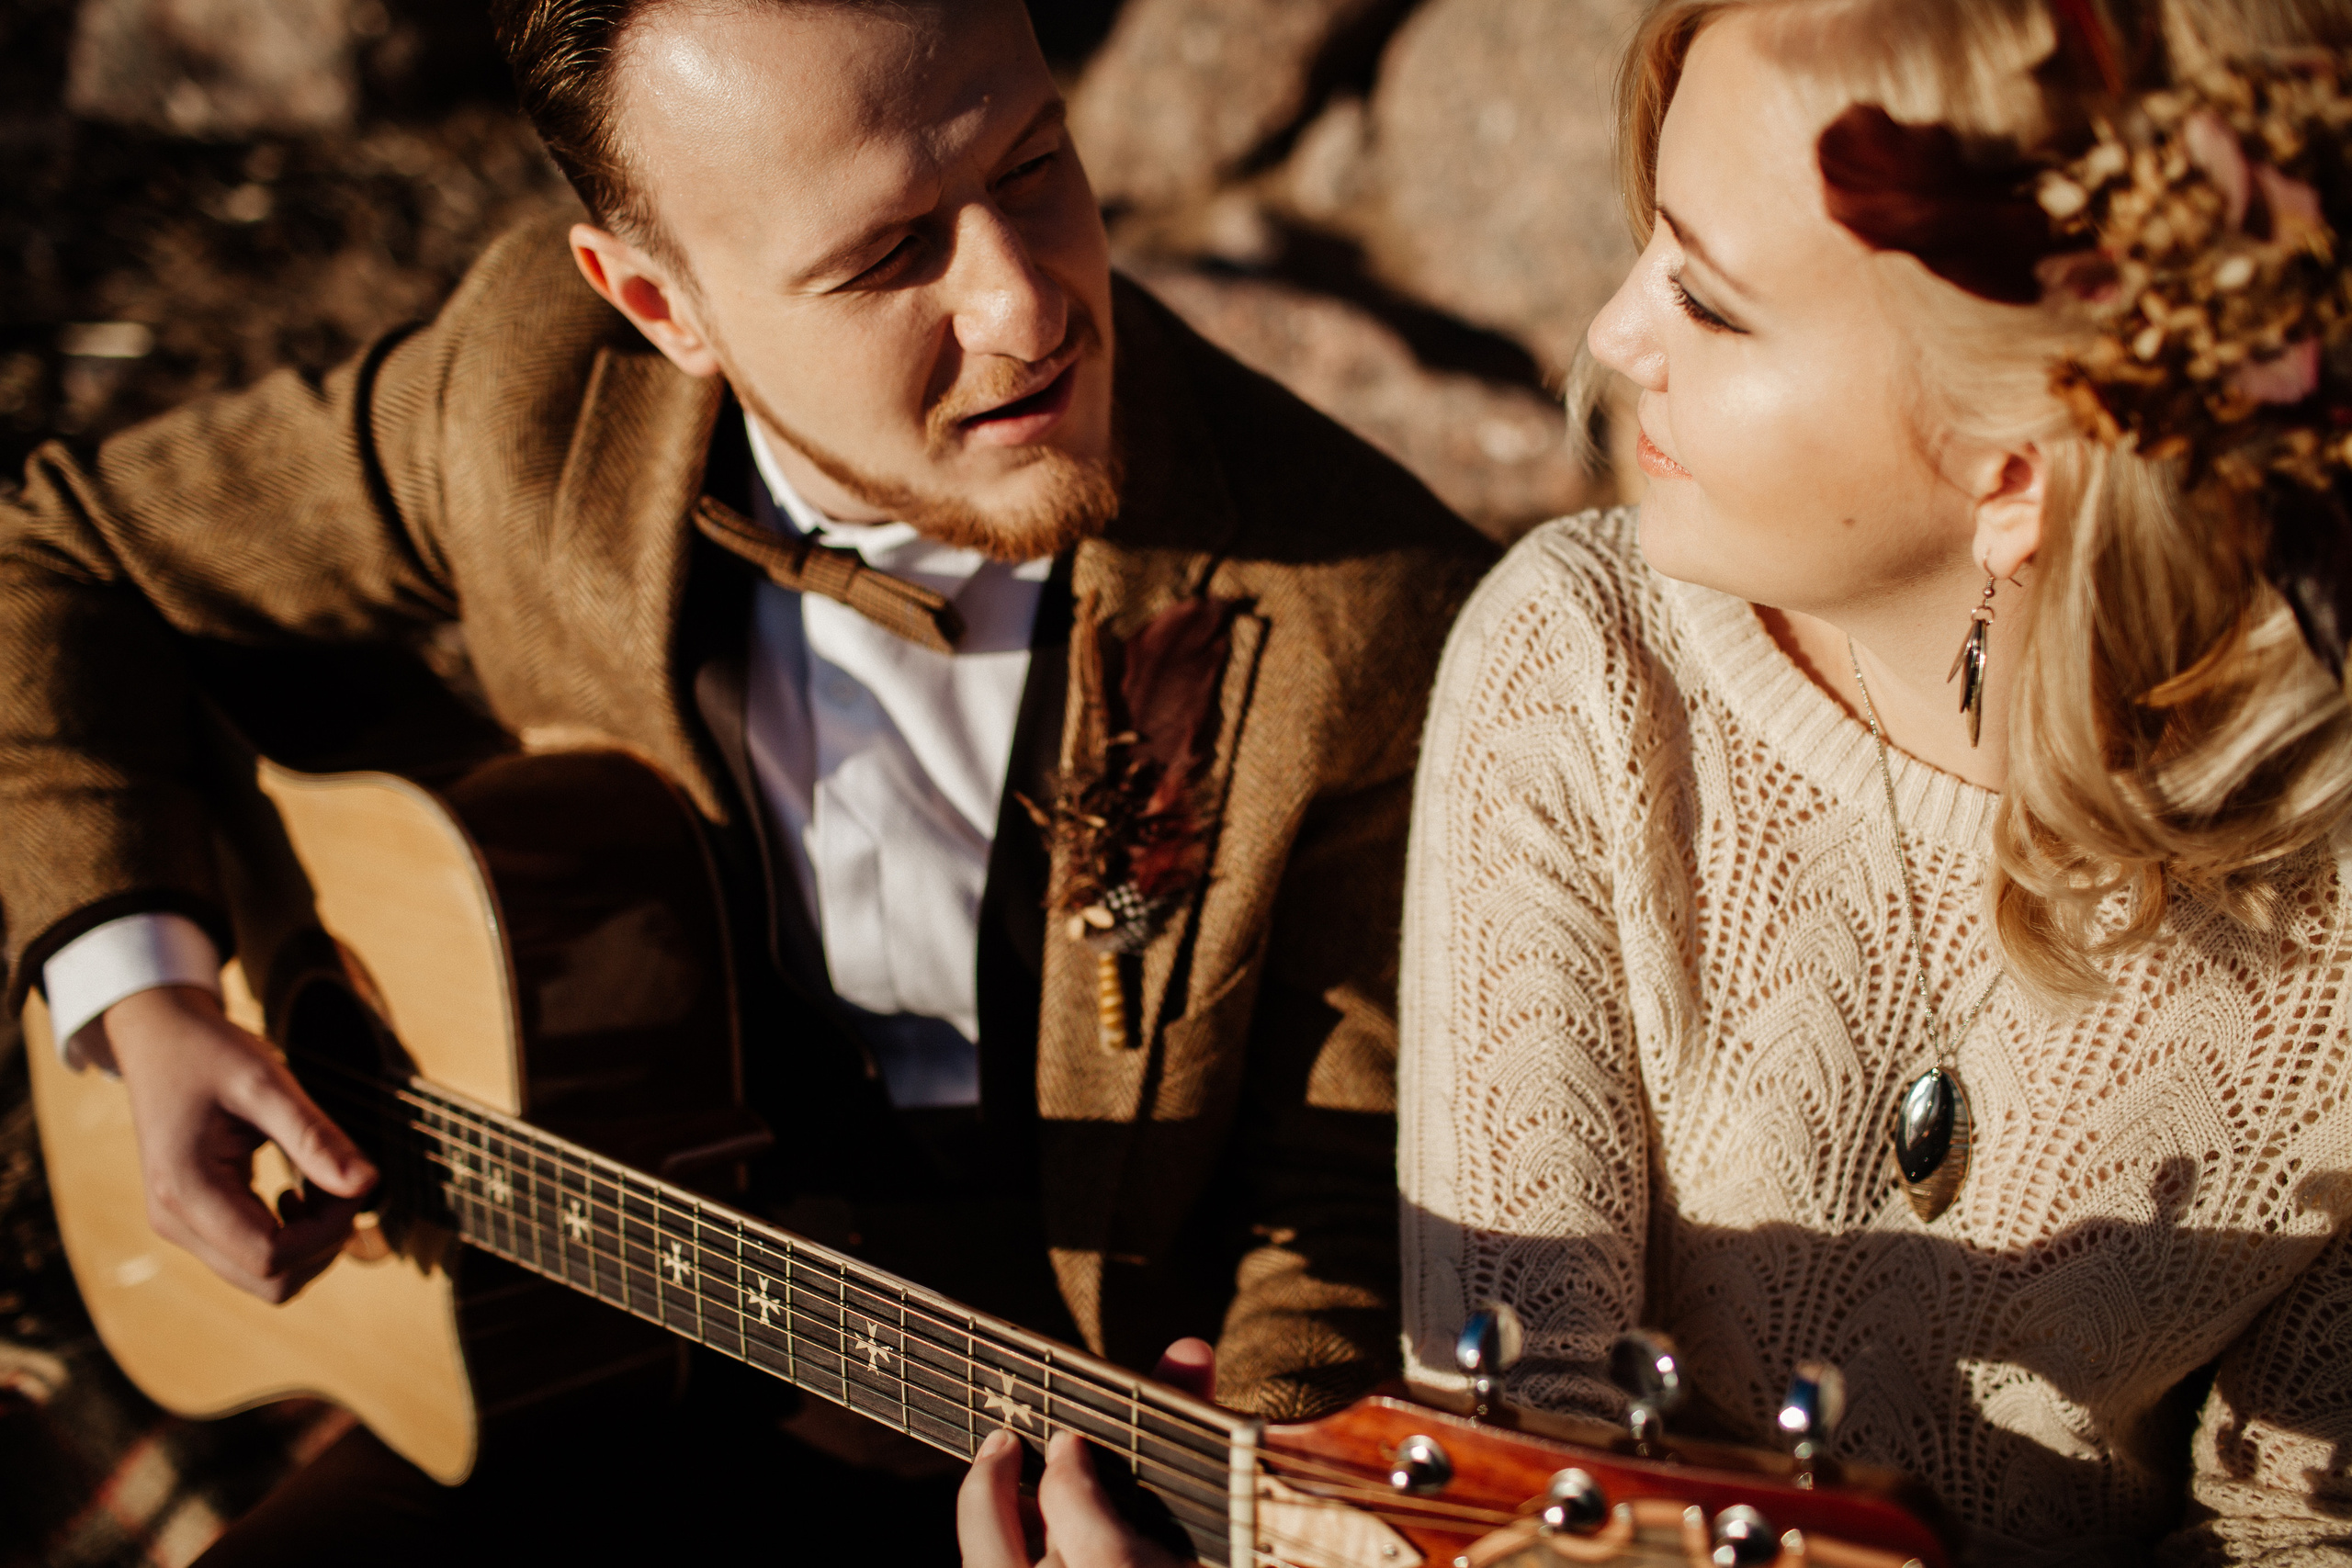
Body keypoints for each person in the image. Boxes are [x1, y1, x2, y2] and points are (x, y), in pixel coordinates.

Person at [0, 0, 1495, 1559]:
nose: (1023, 304)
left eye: (1033, 163)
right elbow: (60, 552)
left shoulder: (1371, 619)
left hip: (1040, 1461)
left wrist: (1244, 1526)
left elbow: (1351, 1199)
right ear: (659, 305)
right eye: (885, 254)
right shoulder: (533, 390)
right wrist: (143, 995)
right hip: (558, 1360)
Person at [1396, 0, 2352, 1563]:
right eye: (1653, 245)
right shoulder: (1584, 667)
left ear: (2015, 473)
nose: (1614, 333)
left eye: (1708, 302)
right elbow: (1515, 1433)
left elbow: (2296, 1526)